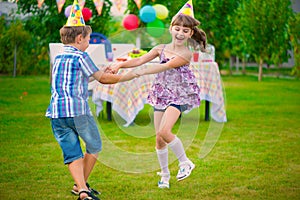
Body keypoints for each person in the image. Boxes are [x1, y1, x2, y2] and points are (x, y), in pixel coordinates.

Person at [45, 1, 137, 200]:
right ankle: (81, 187)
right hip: (78, 112)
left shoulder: (59, 57)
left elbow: (65, 80)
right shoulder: (81, 56)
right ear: (79, 38)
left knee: (72, 152)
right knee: (94, 145)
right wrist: (128, 76)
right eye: (88, 39)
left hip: (57, 113)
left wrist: (101, 71)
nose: (88, 43)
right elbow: (102, 79)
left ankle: (82, 189)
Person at [111, 11, 207, 189]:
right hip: (162, 94)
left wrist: (141, 72)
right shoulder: (160, 48)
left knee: (165, 131)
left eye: (185, 30)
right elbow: (139, 59)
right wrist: (120, 64)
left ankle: (185, 162)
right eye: (177, 28)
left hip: (179, 94)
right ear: (171, 28)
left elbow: (165, 66)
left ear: (191, 34)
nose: (180, 33)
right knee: (159, 138)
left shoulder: (185, 53)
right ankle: (164, 175)